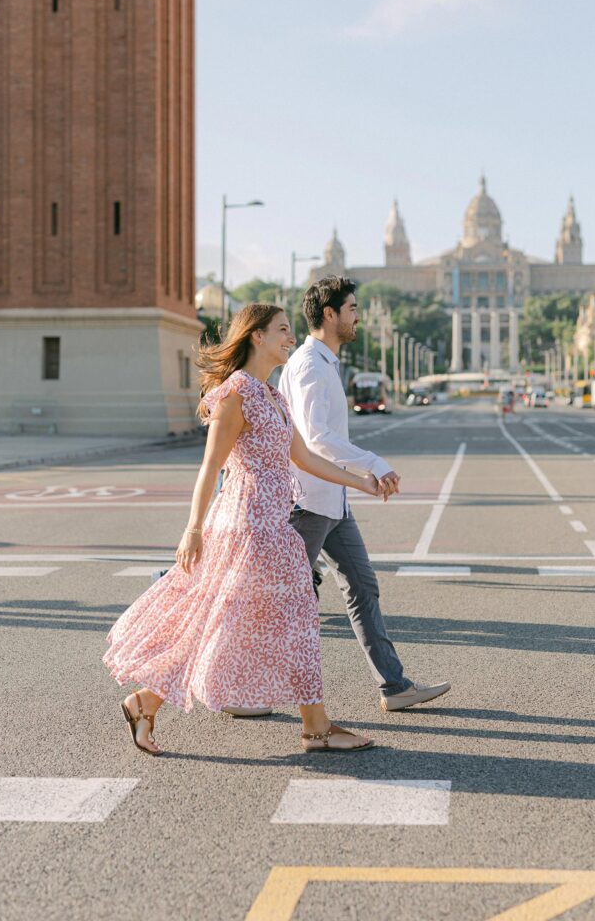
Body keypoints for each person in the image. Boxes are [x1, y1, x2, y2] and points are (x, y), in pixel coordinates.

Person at [103, 303, 379, 755]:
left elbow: (305, 459)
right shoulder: (237, 393)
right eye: (283, 330)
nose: (291, 337)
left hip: (274, 525)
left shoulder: (274, 396)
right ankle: (316, 728)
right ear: (257, 336)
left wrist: (360, 481)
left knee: (244, 620)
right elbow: (211, 466)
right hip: (248, 526)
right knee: (277, 618)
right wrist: (193, 528)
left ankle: (146, 702)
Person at [279, 275, 451, 712]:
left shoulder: (325, 363)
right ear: (330, 314)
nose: (359, 316)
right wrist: (372, 464)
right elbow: (316, 438)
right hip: (308, 503)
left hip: (331, 500)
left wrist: (359, 478)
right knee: (277, 600)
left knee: (362, 587)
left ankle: (394, 687)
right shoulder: (310, 366)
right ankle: (230, 688)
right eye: (352, 308)